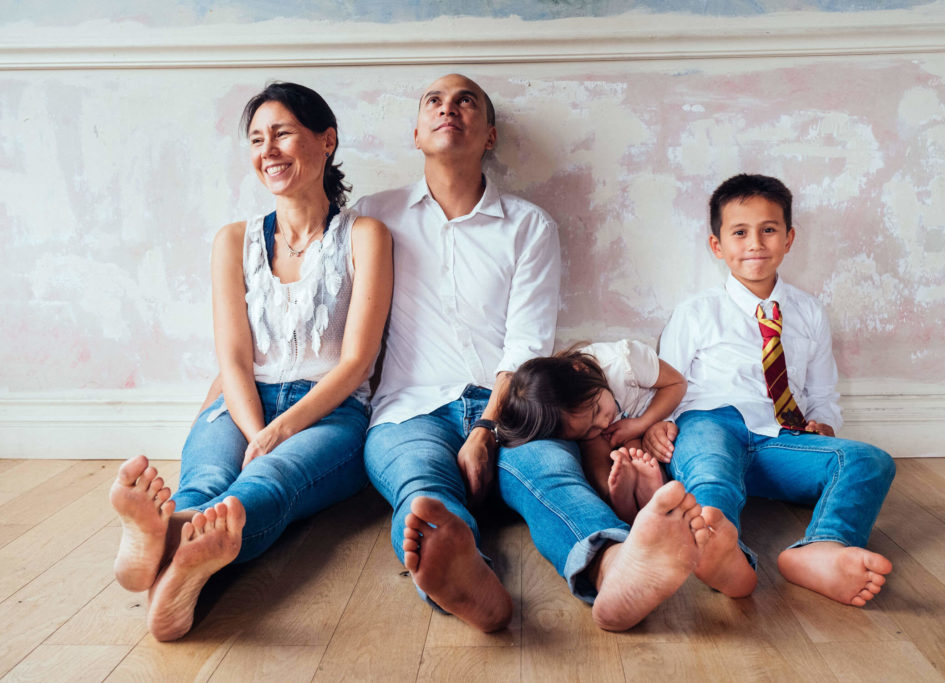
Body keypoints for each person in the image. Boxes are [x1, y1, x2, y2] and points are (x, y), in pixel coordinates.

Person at [356, 73, 707, 635]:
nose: (450, 109)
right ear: (416, 132)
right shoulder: (373, 217)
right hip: (408, 408)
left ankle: (613, 565)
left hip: (515, 409)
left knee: (550, 475)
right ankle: (466, 582)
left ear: (489, 135)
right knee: (422, 489)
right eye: (435, 102)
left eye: (466, 100)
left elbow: (525, 347)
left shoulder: (528, 226)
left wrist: (488, 430)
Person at [108, 82, 393, 641]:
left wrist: (281, 430)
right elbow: (234, 358)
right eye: (257, 139)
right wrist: (256, 427)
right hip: (240, 402)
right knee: (209, 478)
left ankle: (163, 541)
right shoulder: (232, 240)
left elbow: (358, 361)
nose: (269, 150)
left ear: (326, 140)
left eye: (283, 133)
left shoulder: (365, 235)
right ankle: (174, 557)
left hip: (330, 415)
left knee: (270, 478)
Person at [643, 173, 895, 606]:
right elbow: (666, 382)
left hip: (780, 438)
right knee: (712, 472)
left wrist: (825, 425)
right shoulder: (697, 312)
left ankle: (824, 547)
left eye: (769, 229)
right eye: (740, 232)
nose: (755, 242)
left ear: (788, 238)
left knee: (869, 460)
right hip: (710, 423)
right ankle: (724, 552)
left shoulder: (809, 311)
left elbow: (823, 392)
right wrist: (658, 425)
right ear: (717, 246)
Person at [496, 340, 686, 523]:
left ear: (581, 369)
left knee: (638, 453)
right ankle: (616, 497)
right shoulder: (581, 421)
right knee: (594, 447)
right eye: (587, 429)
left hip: (647, 416)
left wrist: (641, 424)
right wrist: (592, 436)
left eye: (596, 410)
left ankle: (649, 495)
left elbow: (677, 383)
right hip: (617, 435)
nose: (602, 423)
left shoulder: (624, 362)